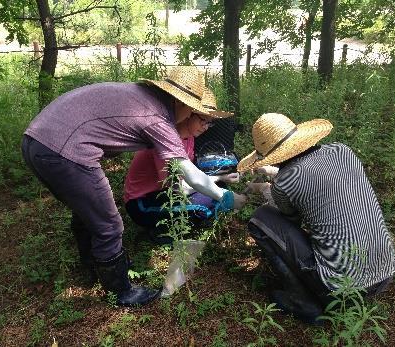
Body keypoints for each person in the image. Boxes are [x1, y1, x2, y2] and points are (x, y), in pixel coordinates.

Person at [21, 66, 247, 307]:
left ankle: (92, 265)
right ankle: (120, 291)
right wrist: (226, 196)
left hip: (36, 140)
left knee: (87, 210)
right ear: (181, 104)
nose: (193, 116)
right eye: (193, 111)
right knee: (109, 224)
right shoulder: (158, 118)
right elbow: (188, 176)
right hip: (64, 150)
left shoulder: (143, 98)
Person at [238, 113, 395, 324]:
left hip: (341, 290)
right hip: (384, 274)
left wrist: (264, 188)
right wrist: (271, 174)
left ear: (271, 156)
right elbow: (312, 174)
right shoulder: (341, 150)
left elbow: (289, 221)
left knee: (261, 218)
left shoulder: (285, 182)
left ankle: (302, 302)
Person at [124, 88, 239, 244]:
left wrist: (221, 177)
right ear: (187, 114)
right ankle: (159, 231)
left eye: (209, 123)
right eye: (202, 120)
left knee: (216, 191)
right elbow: (177, 188)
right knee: (206, 205)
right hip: (143, 202)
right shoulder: (164, 140)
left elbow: (188, 177)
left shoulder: (189, 138)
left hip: (165, 193)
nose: (205, 127)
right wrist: (217, 190)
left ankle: (172, 222)